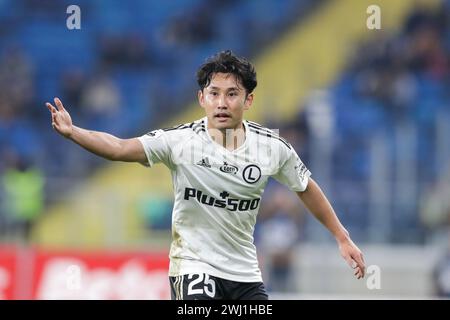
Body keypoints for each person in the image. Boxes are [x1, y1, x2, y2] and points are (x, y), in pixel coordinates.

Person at [45, 50, 365, 300]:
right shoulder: (180, 141)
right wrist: (75, 133)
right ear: (202, 99)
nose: (222, 103)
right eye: (214, 93)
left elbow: (306, 186)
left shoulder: (272, 148)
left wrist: (341, 236)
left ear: (248, 100)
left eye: (232, 94)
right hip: (193, 270)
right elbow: (118, 147)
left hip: (244, 275)